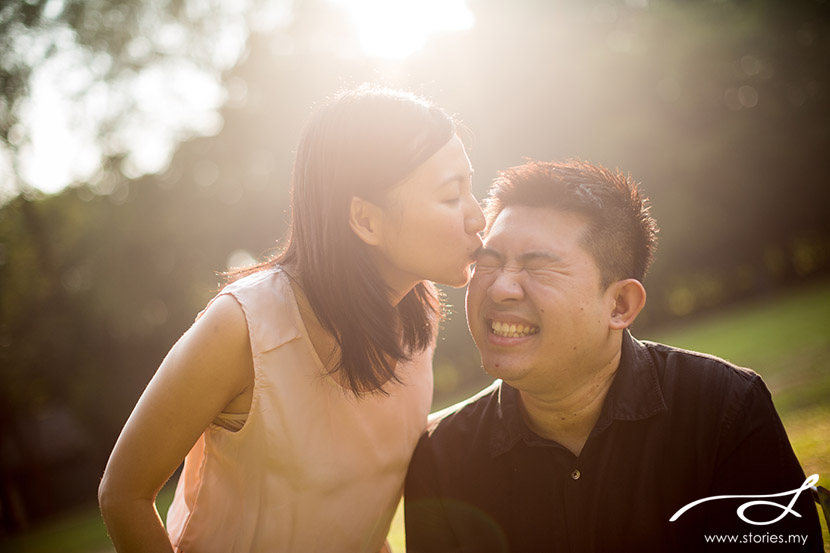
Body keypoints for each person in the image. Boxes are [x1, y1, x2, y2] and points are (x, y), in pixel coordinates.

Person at [98, 85, 486, 553]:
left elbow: (365, 471)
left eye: (471, 187)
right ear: (365, 220)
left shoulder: (418, 310)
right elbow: (123, 495)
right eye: (451, 197)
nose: (478, 217)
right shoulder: (242, 328)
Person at [404, 160, 823, 552]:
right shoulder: (441, 457)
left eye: (538, 267)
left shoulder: (723, 411)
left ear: (620, 304)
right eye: (488, 263)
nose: (499, 289)